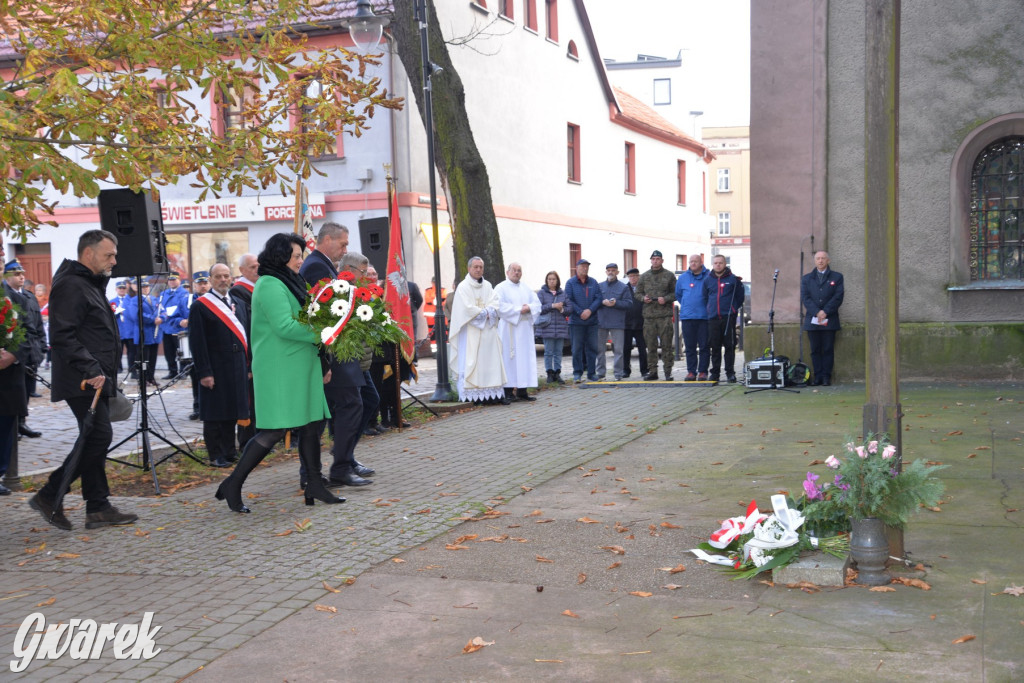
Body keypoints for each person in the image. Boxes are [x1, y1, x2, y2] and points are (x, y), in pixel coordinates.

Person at [215, 233, 344, 513]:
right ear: (280, 255)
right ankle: (234, 483)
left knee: (311, 425)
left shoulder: (290, 280)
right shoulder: (271, 284)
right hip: (280, 368)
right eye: (296, 255)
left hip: (300, 365)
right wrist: (324, 331)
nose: (301, 260)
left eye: (300, 255)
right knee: (273, 431)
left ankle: (314, 484)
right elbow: (285, 326)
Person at [30, 229, 138, 530]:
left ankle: (98, 507)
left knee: (95, 438)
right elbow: (63, 335)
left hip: (95, 377)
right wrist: (91, 369)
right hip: (84, 379)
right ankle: (50, 494)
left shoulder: (88, 283)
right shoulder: (72, 285)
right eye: (109, 255)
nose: (115, 261)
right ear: (88, 254)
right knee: (97, 437)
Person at [298, 245, 374, 487]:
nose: (367, 275)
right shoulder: (334, 286)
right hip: (337, 358)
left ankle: (321, 469)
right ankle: (334, 468)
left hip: (343, 360)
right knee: (343, 409)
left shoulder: (347, 288)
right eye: (363, 271)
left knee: (331, 414)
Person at [188, 263, 250, 468]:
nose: (223, 280)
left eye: (226, 276)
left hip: (237, 364)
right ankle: (215, 454)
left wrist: (248, 366)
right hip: (215, 366)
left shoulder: (238, 303)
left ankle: (229, 451)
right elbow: (197, 342)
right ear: (211, 279)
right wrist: (204, 372)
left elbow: (246, 336)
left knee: (232, 409)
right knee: (215, 412)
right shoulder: (201, 305)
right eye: (218, 277)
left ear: (231, 278)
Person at [448, 256, 508, 404]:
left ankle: (494, 395)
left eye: (481, 267)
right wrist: (485, 312)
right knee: (474, 363)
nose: (478, 269)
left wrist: (488, 311)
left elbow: (495, 302)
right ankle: (474, 396)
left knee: (491, 362)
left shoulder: (487, 285)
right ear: (469, 268)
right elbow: (466, 309)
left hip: (488, 331)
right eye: (475, 267)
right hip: (471, 332)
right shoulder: (463, 287)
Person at [3, 260, 45, 436]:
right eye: (16, 274)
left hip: (31, 350)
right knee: (14, 392)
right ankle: (15, 425)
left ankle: (22, 422)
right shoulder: (6, 296)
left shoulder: (29, 297)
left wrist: (42, 346)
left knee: (27, 390)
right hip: (13, 354)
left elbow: (37, 325)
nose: (21, 277)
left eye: (22, 274)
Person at [0, 235, 26, 496]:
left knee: (5, 428)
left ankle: (0, 472)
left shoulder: (14, 298)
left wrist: (13, 355)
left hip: (6, 376)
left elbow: (30, 334)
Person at [494, 262, 541, 401]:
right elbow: (498, 306)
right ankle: (508, 392)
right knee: (509, 359)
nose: (517, 273)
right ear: (507, 272)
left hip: (524, 330)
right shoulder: (500, 288)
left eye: (519, 270)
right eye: (514, 270)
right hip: (509, 330)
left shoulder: (526, 288)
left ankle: (522, 390)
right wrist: (518, 310)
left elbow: (537, 304)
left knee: (524, 359)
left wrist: (529, 308)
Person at [801, 250, 844, 386]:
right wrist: (817, 312)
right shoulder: (807, 278)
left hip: (829, 319)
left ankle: (826, 377)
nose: (820, 261)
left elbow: (838, 296)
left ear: (828, 261)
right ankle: (817, 376)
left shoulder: (837, 277)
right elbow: (805, 298)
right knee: (815, 350)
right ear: (815, 261)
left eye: (823, 258)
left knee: (827, 349)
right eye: (818, 258)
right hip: (812, 320)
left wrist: (825, 311)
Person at [230, 253, 259, 451]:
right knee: (249, 401)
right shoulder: (239, 291)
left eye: (258, 266)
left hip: (261, 351)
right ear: (241, 270)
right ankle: (248, 441)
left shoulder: (259, 288)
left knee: (260, 400)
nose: (257, 270)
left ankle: (260, 438)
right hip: (250, 353)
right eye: (252, 267)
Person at [635, 250, 677, 381]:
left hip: (664, 315)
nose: (655, 261)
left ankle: (668, 372)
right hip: (649, 316)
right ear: (651, 261)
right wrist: (643, 298)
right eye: (653, 259)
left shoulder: (669, 275)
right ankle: (652, 371)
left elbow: (676, 293)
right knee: (651, 346)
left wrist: (665, 298)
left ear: (662, 261)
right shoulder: (644, 276)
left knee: (666, 345)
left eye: (658, 259)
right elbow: (637, 293)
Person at [703, 254, 744, 383]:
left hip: (728, 318)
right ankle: (715, 373)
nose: (718, 265)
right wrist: (710, 309)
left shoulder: (733, 280)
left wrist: (733, 309)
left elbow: (740, 297)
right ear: (713, 264)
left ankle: (730, 373)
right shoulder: (708, 280)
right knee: (714, 347)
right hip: (713, 318)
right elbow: (705, 297)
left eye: (720, 263)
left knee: (729, 346)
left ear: (725, 264)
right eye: (715, 263)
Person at [564, 258, 602, 382]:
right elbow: (568, 300)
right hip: (576, 322)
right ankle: (577, 373)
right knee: (576, 349)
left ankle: (591, 373)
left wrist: (589, 311)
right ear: (577, 268)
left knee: (592, 348)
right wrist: (580, 312)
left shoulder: (593, 282)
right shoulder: (570, 283)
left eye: (586, 267)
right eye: (582, 266)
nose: (585, 269)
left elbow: (599, 298)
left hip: (592, 321)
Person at [675, 254, 711, 381]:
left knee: (704, 346)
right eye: (691, 261)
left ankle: (702, 371)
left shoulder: (709, 276)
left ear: (701, 262)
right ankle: (691, 371)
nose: (693, 263)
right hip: (687, 317)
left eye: (696, 261)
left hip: (704, 317)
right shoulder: (683, 278)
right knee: (689, 347)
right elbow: (678, 295)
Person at [595, 263, 632, 381]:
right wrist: (602, 302)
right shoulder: (599, 286)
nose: (610, 272)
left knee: (618, 350)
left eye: (613, 270)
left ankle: (618, 374)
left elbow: (629, 303)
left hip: (617, 322)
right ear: (606, 272)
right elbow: (594, 301)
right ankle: (600, 373)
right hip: (601, 322)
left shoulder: (623, 287)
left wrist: (616, 303)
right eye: (608, 270)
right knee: (600, 349)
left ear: (617, 272)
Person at [124, 277, 161, 386]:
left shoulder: (154, 299)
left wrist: (162, 318)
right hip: (143, 333)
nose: (145, 289)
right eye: (143, 287)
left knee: (153, 358)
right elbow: (136, 315)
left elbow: (162, 311)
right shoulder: (135, 300)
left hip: (154, 333)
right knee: (144, 358)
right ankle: (143, 379)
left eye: (146, 286)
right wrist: (152, 319)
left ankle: (151, 377)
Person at [536, 270, 571, 384]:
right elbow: (538, 308)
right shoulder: (541, 293)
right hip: (547, 327)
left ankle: (557, 373)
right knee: (548, 352)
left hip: (560, 326)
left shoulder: (563, 293)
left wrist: (562, 309)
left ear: (557, 281)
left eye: (554, 279)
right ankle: (549, 373)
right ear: (546, 281)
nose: (551, 281)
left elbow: (570, 309)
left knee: (558, 352)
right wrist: (552, 305)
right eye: (549, 279)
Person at [187, 271, 211, 420]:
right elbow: (172, 316)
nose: (203, 286)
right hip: (193, 341)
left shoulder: (215, 299)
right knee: (195, 375)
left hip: (210, 342)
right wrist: (180, 321)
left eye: (205, 283)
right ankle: (197, 406)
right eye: (200, 284)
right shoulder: (187, 300)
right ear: (194, 285)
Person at [156, 272, 188, 379]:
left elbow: (180, 308)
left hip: (177, 325)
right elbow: (160, 307)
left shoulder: (184, 293)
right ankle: (172, 371)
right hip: (166, 326)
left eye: (174, 280)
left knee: (181, 350)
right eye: (170, 280)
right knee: (169, 351)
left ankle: (183, 371)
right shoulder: (164, 293)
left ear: (179, 280)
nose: (172, 282)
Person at [622, 268, 647, 379]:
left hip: (641, 323)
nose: (632, 278)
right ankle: (626, 370)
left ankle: (644, 370)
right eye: (630, 276)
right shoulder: (624, 288)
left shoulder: (643, 289)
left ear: (639, 277)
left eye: (635, 276)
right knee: (626, 349)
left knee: (642, 349)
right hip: (626, 323)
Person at [110, 280, 132, 374]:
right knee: (118, 351)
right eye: (120, 288)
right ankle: (118, 368)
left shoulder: (131, 300)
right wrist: (118, 312)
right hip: (118, 329)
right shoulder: (112, 301)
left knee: (131, 352)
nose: (122, 290)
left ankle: (132, 368)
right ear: (116, 289)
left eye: (123, 288)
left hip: (129, 330)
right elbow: (111, 315)